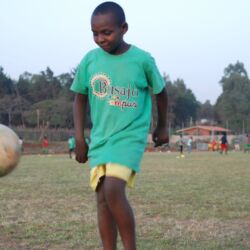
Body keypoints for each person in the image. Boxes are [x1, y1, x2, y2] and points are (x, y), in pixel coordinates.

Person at [70, 2, 169, 249]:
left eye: (107, 32)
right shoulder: (90, 60)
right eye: (95, 33)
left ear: (123, 28)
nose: (100, 39)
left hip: (129, 136)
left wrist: (162, 126)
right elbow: (79, 98)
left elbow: (161, 92)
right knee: (102, 198)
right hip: (101, 138)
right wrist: (80, 138)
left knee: (113, 189)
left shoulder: (142, 60)